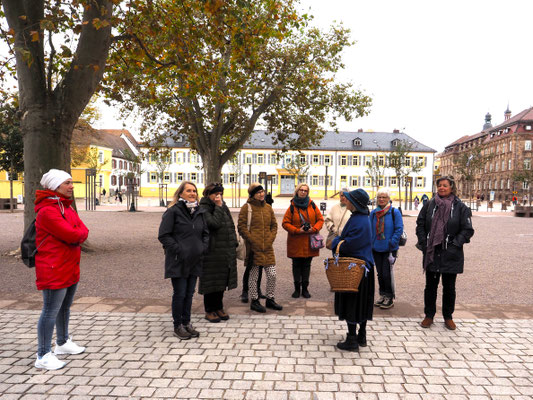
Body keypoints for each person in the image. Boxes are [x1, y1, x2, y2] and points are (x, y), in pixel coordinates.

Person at [34, 169, 89, 370]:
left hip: (69, 265)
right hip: (53, 268)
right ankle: (42, 355)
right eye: (67, 183)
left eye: (71, 182)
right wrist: (77, 234)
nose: (71, 186)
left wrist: (78, 234)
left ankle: (62, 342)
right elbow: (73, 234)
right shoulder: (48, 211)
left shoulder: (65, 206)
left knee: (64, 307)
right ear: (55, 186)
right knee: (50, 311)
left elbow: (83, 230)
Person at [415, 176, 474, 331]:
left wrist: (455, 244)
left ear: (451, 188)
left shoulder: (460, 207)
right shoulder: (429, 205)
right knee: (430, 286)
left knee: (449, 288)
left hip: (451, 253)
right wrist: (424, 242)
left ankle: (448, 317)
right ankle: (429, 315)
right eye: (440, 185)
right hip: (432, 252)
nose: (442, 188)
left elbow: (467, 230)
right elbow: (420, 224)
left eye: (445, 185)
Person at [158, 181, 209, 340]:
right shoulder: (173, 211)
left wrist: (202, 248)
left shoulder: (199, 211)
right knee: (180, 293)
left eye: (194, 191)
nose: (192, 193)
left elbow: (205, 233)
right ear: (181, 193)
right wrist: (179, 250)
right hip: (178, 260)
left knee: (189, 293)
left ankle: (187, 322)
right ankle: (178, 325)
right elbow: (164, 235)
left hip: (195, 259)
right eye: (188, 191)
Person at [331, 188, 375, 352]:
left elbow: (349, 245)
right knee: (362, 303)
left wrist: (336, 242)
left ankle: (351, 340)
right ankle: (361, 335)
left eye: (348, 199)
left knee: (352, 303)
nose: (346, 201)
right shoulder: (361, 218)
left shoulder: (359, 220)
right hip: (364, 268)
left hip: (355, 269)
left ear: (355, 203)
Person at [238, 182, 282, 313]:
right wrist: (252, 239)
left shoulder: (268, 207)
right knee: (254, 276)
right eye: (258, 192)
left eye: (262, 191)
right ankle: (254, 301)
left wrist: (271, 238)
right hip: (253, 248)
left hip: (267, 247)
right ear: (252, 195)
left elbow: (274, 225)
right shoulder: (247, 208)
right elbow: (241, 227)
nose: (261, 194)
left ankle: (270, 299)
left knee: (272, 274)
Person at [199, 183, 238, 323]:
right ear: (208, 194)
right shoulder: (204, 208)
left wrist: (234, 242)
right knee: (211, 281)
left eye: (220, 194)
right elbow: (213, 224)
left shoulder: (222, 206)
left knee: (221, 280)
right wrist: (218, 206)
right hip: (212, 251)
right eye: (216, 194)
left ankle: (219, 307)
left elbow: (230, 225)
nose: (219, 196)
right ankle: (209, 310)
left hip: (225, 250)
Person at [282, 183, 324, 298]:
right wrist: (297, 230)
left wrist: (314, 229)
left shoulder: (312, 205)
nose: (303, 192)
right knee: (296, 265)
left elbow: (320, 220)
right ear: (297, 191)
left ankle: (305, 289)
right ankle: (297, 289)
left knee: (306, 265)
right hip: (296, 241)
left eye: (305, 190)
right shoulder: (292, 207)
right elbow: (285, 223)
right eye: (301, 190)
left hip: (309, 241)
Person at [369, 189, 403, 310]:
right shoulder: (373, 213)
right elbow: (370, 229)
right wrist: (371, 243)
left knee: (386, 273)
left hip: (389, 249)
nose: (381, 199)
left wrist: (392, 242)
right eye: (379, 197)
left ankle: (389, 297)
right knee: (380, 274)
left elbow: (399, 228)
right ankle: (382, 294)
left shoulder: (394, 212)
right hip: (376, 247)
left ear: (388, 199)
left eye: (384, 197)